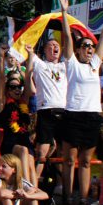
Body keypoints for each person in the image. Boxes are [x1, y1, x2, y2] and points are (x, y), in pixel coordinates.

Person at [59, 0, 103, 205]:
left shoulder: (94, 65)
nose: (90, 49)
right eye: (85, 46)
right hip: (73, 114)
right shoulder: (71, 63)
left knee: (85, 161)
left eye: (91, 46)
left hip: (93, 116)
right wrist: (65, 13)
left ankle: (82, 200)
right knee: (69, 159)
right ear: (78, 48)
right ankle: (67, 199)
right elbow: (66, 36)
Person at [27, 37, 68, 183]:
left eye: (56, 45)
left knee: (64, 151)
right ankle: (34, 184)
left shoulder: (65, 66)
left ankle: (61, 186)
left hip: (64, 111)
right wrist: (31, 52)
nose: (54, 48)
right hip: (46, 110)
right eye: (50, 45)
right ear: (44, 50)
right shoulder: (40, 64)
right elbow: (30, 61)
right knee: (42, 151)